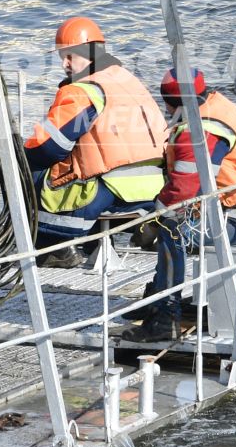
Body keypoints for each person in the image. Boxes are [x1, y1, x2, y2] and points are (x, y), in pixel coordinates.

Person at [22, 17, 166, 264]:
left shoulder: (83, 90)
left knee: (29, 171)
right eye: (61, 56)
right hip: (153, 190)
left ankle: (54, 248)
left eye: (70, 55)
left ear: (90, 53)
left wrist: (19, 154)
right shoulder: (125, 79)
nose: (65, 63)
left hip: (111, 190)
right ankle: (96, 241)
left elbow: (49, 148)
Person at [137, 67, 236, 340]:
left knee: (170, 231)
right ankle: (157, 297)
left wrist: (151, 223)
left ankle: (165, 318)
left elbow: (184, 190)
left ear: (174, 103)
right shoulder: (215, 108)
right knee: (169, 222)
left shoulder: (200, 130)